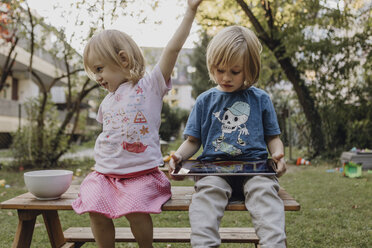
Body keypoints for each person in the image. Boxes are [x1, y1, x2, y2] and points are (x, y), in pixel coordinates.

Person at [72, 1, 203, 247]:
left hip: (141, 176)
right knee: (95, 211)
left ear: (122, 59)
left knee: (135, 211)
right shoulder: (107, 102)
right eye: (93, 71)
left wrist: (190, 12)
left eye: (99, 69)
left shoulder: (149, 86)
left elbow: (173, 50)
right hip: (105, 176)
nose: (97, 77)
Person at [169, 25, 287, 248]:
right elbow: (193, 141)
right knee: (205, 202)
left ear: (249, 69)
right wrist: (179, 157)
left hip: (256, 170)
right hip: (213, 170)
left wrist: (278, 154)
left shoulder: (260, 99)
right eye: (219, 70)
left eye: (234, 72)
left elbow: (273, 137)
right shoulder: (205, 101)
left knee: (265, 198)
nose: (225, 77)